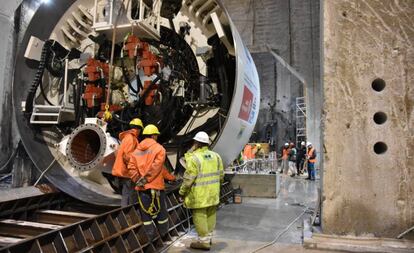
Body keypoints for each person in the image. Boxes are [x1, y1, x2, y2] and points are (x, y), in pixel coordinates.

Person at [127, 124, 176, 239]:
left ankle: (150, 237)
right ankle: (163, 235)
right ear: (154, 136)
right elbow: (157, 167)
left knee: (146, 214)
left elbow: (131, 167)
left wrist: (138, 180)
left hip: (142, 189)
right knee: (161, 213)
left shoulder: (136, 151)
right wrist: (146, 179)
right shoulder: (159, 149)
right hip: (156, 187)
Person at [179, 131, 224, 250]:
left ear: (196, 143)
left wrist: (182, 192)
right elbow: (221, 176)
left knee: (200, 216)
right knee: (211, 215)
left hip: (199, 195)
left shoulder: (194, 158)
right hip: (213, 194)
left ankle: (203, 242)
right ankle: (208, 238)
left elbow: (188, 179)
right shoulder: (216, 156)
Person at [112, 118, 143, 207]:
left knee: (127, 193)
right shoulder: (131, 139)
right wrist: (133, 168)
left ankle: (126, 212)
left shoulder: (127, 138)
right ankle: (127, 213)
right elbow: (127, 155)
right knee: (128, 194)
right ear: (138, 129)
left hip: (124, 171)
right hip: (127, 172)